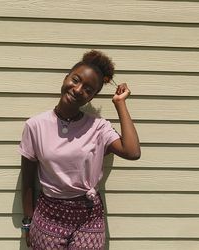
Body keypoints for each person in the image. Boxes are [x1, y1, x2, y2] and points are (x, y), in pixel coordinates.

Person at [18, 50, 141, 249]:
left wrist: (120, 104)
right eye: (76, 80)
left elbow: (132, 151)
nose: (77, 89)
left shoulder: (99, 127)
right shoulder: (35, 125)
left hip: (89, 217)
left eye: (88, 89)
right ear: (66, 77)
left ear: (91, 97)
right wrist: (27, 223)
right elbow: (28, 179)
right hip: (49, 214)